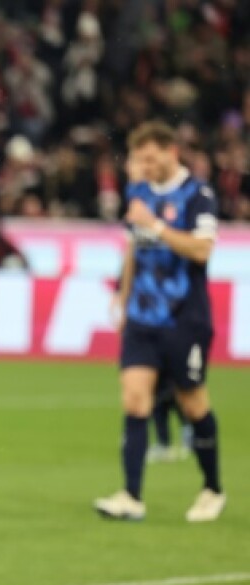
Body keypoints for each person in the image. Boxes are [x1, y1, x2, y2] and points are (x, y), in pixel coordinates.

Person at [95, 122, 225, 522]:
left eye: (151, 159)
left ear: (172, 152)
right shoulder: (139, 192)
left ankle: (212, 489)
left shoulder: (198, 195)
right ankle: (131, 496)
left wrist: (155, 225)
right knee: (135, 399)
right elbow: (132, 248)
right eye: (140, 159)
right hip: (142, 316)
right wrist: (122, 296)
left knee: (193, 403)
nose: (145, 167)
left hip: (185, 318)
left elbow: (201, 251)